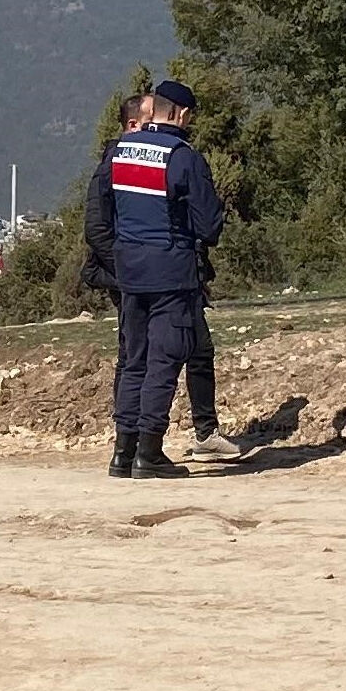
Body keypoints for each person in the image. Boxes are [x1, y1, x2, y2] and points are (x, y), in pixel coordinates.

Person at [86, 92, 243, 465]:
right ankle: (150, 452)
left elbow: (102, 214)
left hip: (128, 273)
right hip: (171, 272)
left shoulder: (119, 153)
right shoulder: (182, 157)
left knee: (133, 360)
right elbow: (209, 227)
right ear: (183, 114)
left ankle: (122, 453)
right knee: (164, 360)